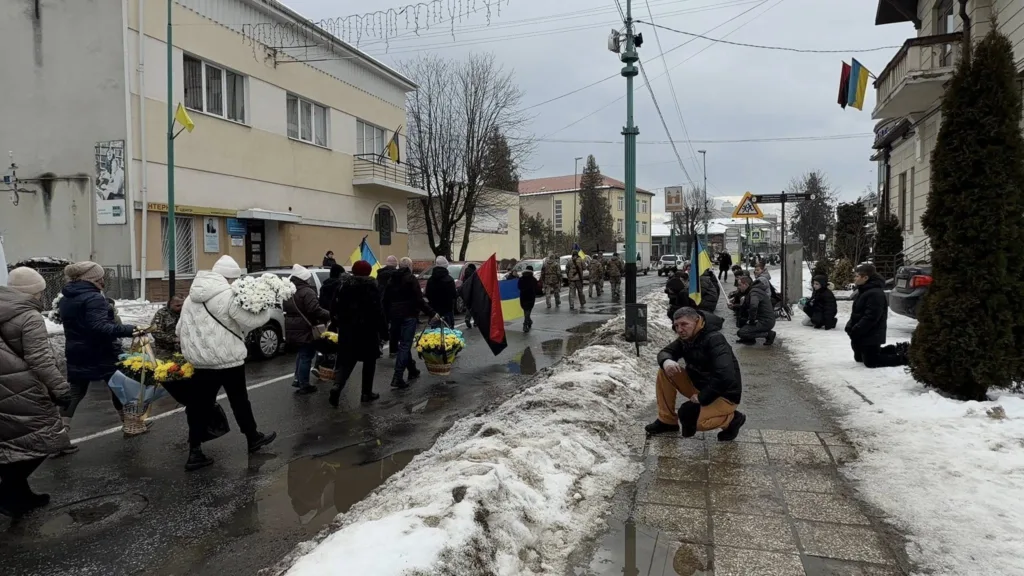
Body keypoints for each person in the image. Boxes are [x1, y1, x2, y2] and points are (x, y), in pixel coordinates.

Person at [177, 255, 277, 471]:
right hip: (228, 360)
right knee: (239, 401)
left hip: (201, 363)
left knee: (199, 406)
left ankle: (195, 452)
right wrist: (266, 307)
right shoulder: (227, 296)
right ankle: (252, 438)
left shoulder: (190, 298)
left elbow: (179, 329)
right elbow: (251, 320)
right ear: (231, 278)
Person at [0, 267, 72, 517]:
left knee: (13, 439)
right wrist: (60, 388)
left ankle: (21, 495)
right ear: (32, 293)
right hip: (20, 386)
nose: (41, 297)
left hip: (5, 386)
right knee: (45, 436)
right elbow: (40, 359)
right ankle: (8, 492)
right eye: (40, 292)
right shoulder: (28, 316)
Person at [58, 261, 138, 450]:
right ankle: (131, 425)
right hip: (101, 351)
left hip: (77, 350)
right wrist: (130, 330)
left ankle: (59, 437)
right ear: (93, 278)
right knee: (118, 386)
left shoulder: (66, 297)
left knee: (76, 391)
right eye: (101, 276)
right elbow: (100, 326)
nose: (104, 280)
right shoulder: (94, 298)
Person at [647, 307, 747, 441]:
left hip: (724, 395)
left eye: (684, 324)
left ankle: (732, 419)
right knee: (665, 370)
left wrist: (702, 398)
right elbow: (666, 352)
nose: (680, 329)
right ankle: (667, 421)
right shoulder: (686, 338)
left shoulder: (715, 339)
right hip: (700, 387)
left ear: (697, 321)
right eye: (676, 326)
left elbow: (725, 377)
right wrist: (667, 361)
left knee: (697, 423)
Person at [329, 260, 388, 406]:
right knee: (369, 362)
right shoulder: (371, 287)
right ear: (368, 273)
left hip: (347, 331)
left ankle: (337, 386)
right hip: (368, 331)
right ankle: (366, 393)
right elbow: (378, 312)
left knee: (347, 362)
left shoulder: (343, 286)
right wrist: (384, 332)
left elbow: (333, 307)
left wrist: (337, 324)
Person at [384, 257, 436, 389]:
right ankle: (398, 376)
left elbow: (385, 300)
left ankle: (412, 369)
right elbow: (419, 299)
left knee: (402, 344)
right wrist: (431, 313)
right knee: (405, 345)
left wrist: (387, 316)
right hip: (409, 315)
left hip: (395, 316)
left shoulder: (391, 279)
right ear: (409, 267)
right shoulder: (411, 279)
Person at [847, 264, 907, 367]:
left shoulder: (875, 293)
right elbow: (857, 313)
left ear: (865, 278)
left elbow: (871, 317)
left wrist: (857, 329)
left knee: (871, 362)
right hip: (861, 334)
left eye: (857, 276)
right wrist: (850, 326)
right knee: (859, 358)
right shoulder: (863, 290)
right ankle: (893, 350)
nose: (854, 278)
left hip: (871, 334)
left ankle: (903, 358)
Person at [284, 264, 331, 395]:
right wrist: (329, 314)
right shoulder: (307, 291)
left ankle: (298, 380)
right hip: (305, 327)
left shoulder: (289, 290)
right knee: (307, 355)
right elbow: (314, 310)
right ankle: (304, 384)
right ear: (304, 279)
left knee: (301, 354)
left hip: (292, 326)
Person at [735, 275, 776, 345]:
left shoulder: (754, 292)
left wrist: (751, 320)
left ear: (746, 284)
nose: (738, 287)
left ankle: (768, 334)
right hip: (763, 319)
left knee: (742, 333)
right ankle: (749, 338)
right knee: (741, 321)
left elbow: (753, 306)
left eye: (739, 285)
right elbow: (746, 306)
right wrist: (734, 306)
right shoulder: (752, 291)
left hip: (765, 321)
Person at [425, 256, 458, 329]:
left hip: (434, 311)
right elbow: (454, 295)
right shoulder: (449, 280)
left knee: (434, 335)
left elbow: (427, 293)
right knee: (449, 335)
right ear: (446, 266)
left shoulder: (430, 280)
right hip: (447, 310)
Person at [377, 256, 400, 356]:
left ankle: (380, 345)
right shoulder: (397, 275)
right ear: (395, 264)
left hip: (382, 303)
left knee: (382, 325)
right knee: (394, 328)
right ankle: (393, 350)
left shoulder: (380, 275)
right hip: (394, 304)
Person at [517, 265, 541, 333]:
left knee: (525, 311)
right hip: (530, 297)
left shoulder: (521, 278)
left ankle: (529, 321)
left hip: (523, 297)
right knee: (528, 311)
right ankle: (525, 324)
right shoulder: (533, 279)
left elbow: (519, 287)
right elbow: (537, 288)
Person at [461, 263, 478, 329]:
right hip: (474, 292)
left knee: (469, 306)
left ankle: (467, 318)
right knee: (476, 307)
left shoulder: (465, 275)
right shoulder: (474, 274)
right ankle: (476, 322)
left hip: (467, 293)